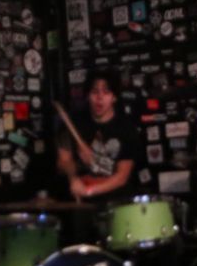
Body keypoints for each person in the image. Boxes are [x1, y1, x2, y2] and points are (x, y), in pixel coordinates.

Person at [56, 70, 140, 204]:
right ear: (88, 96)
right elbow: (63, 162)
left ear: (114, 97)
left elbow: (122, 177)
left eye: (106, 92)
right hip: (81, 206)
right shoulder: (73, 123)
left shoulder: (126, 128)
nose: (99, 97)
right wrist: (73, 176)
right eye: (95, 92)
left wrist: (89, 191)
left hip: (116, 204)